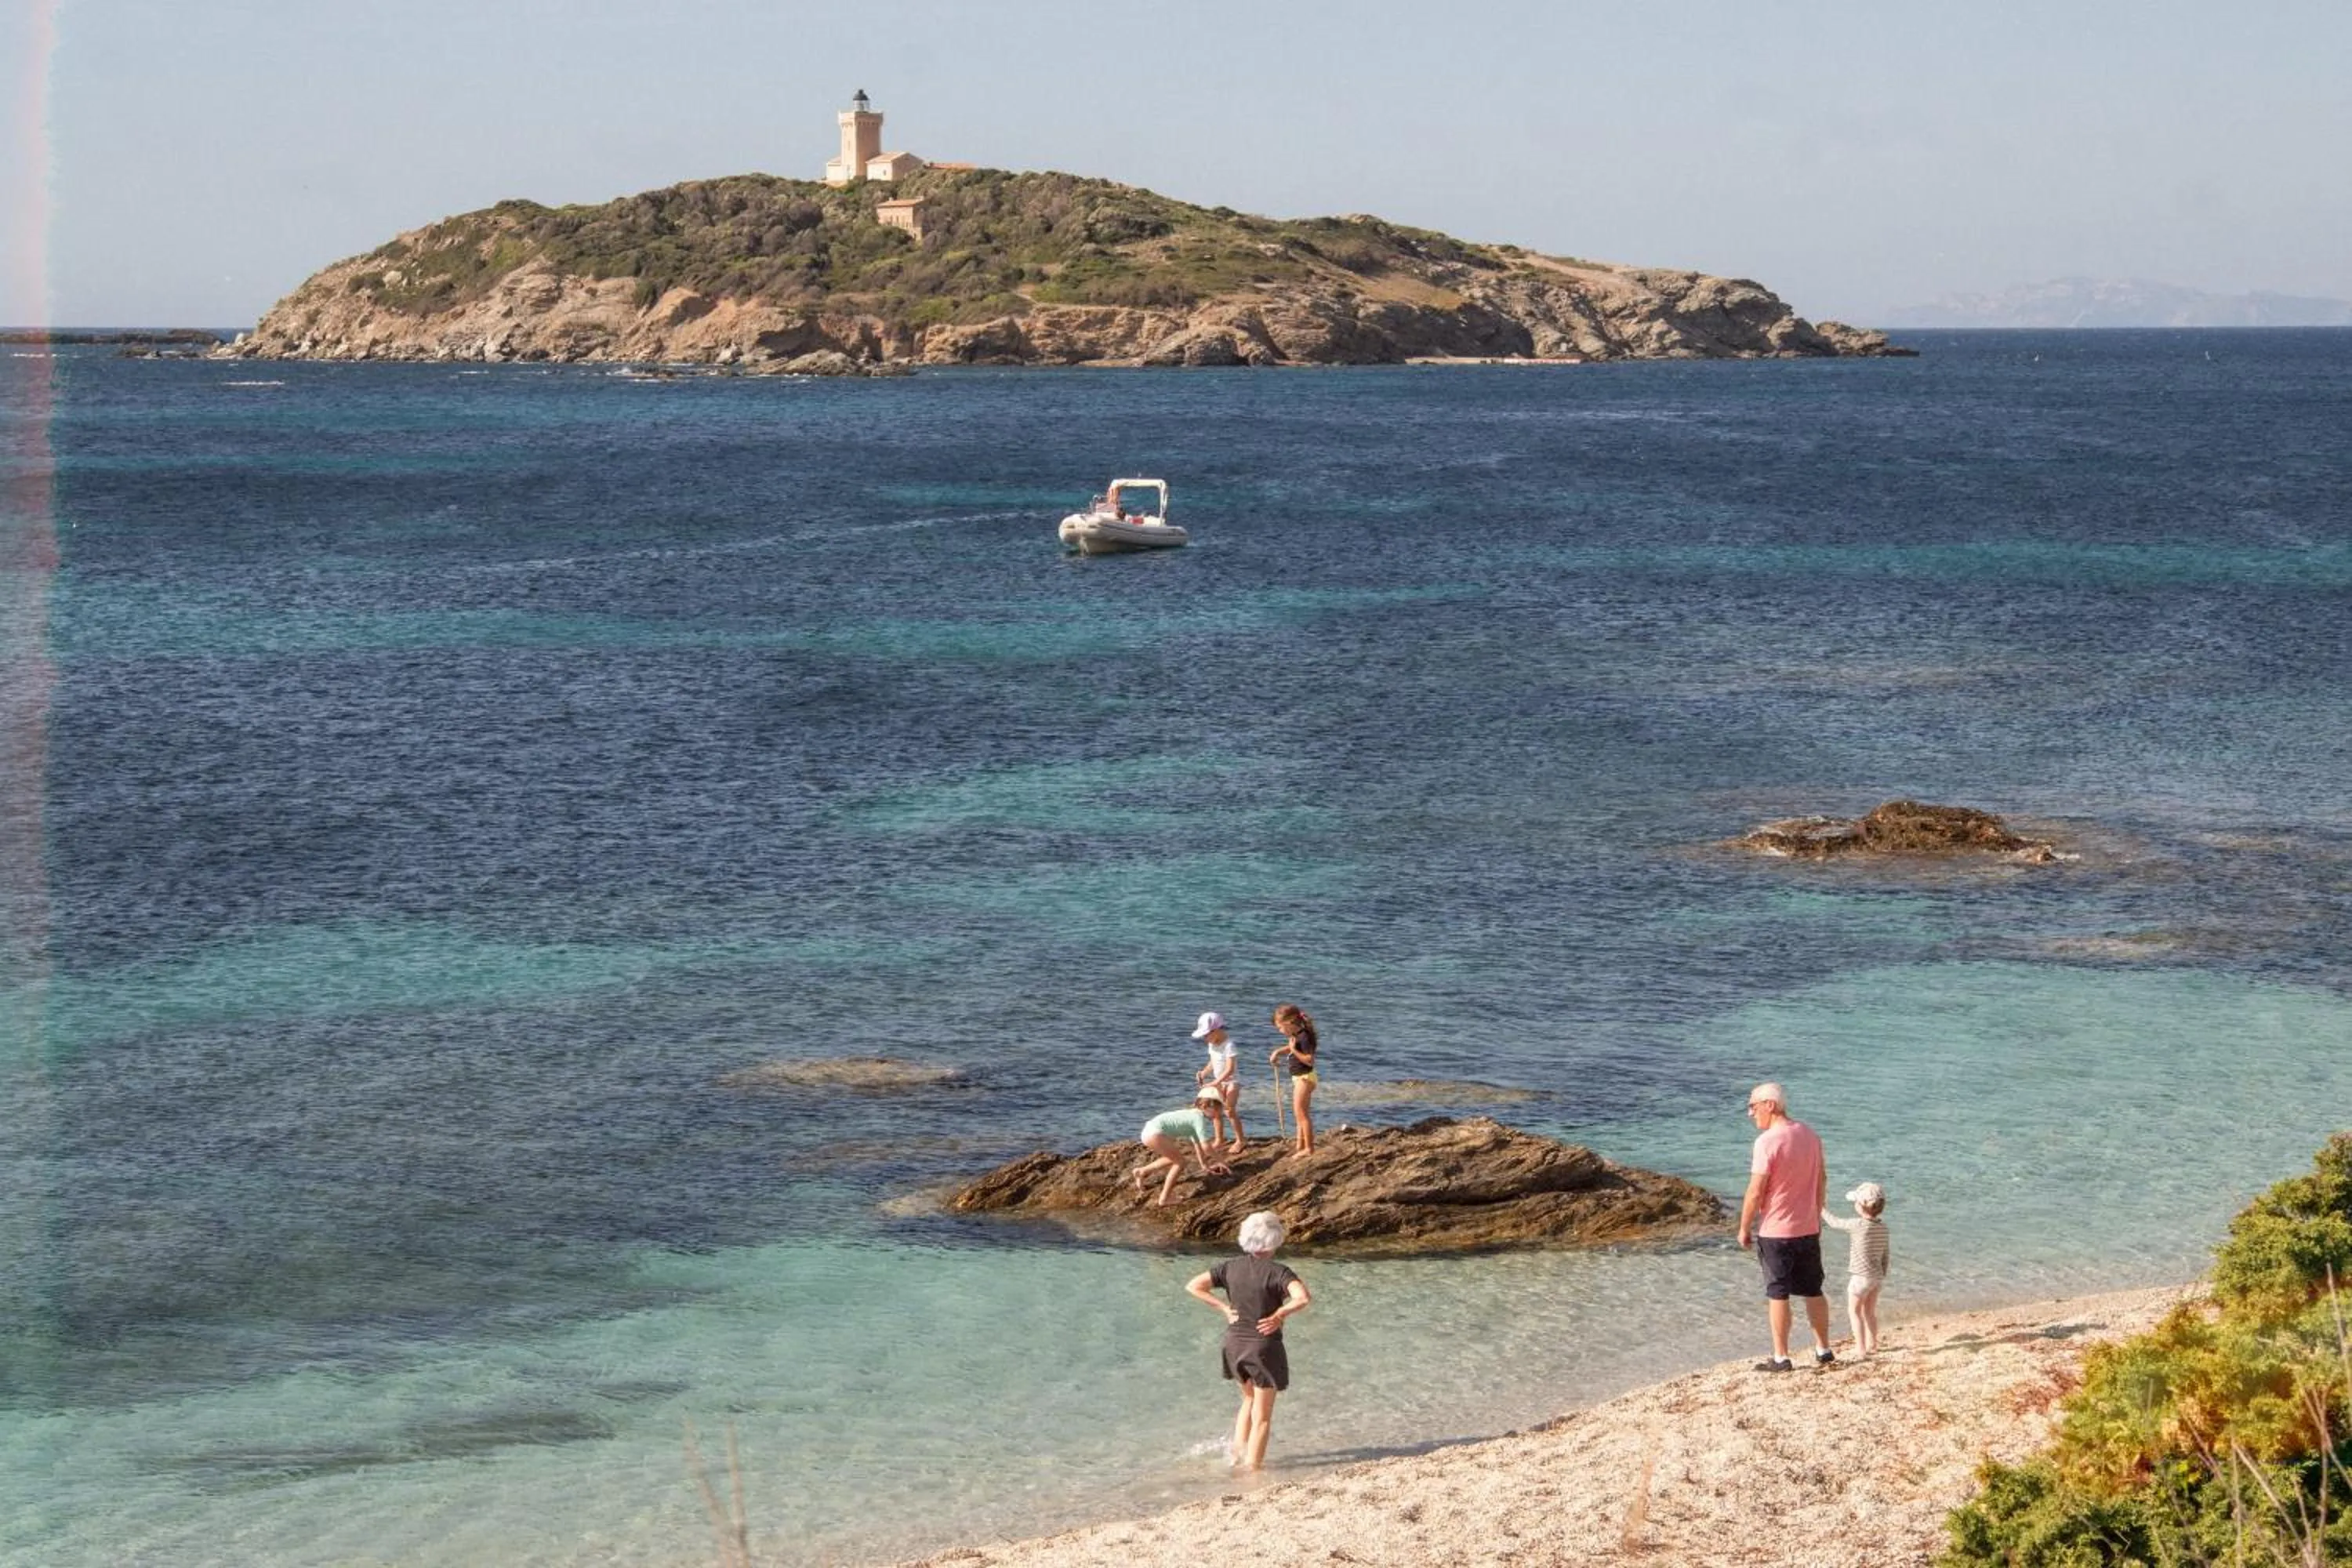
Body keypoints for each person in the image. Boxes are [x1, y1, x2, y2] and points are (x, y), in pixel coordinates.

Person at [1185, 1210, 1311, 1470]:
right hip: (1263, 1347)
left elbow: (1194, 1286)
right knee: (1262, 1418)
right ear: (1275, 1240)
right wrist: (1280, 1314)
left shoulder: (1229, 1267)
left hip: (1234, 1344)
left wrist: (1224, 1308)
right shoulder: (1279, 1272)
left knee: (1248, 1400)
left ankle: (1237, 1456)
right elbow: (1303, 1298)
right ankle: (1252, 1471)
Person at [1737, 1081, 1832, 1372]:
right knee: (1813, 1290)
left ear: (1770, 1105)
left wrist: (1744, 1227)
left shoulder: (1767, 1142)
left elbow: (1755, 1191)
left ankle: (1781, 1357)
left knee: (1778, 1293)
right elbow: (1821, 1180)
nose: (1750, 1113)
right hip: (1808, 1228)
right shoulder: (1810, 1135)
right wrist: (1816, 1216)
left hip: (1776, 1231)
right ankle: (1824, 1350)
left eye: (1753, 1106)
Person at [1822, 1181, 1889, 1356]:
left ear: (1860, 1206)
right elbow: (1885, 1255)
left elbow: (1834, 1223)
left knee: (1854, 1311)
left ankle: (1860, 1348)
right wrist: (1882, 1273)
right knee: (1870, 1312)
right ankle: (1873, 1344)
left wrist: (1820, 1208)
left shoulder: (1858, 1225)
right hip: (1877, 1277)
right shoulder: (1883, 1228)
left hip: (1860, 1277)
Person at [1133, 1105, 1230, 1207]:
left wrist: (1204, 1165)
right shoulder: (1199, 1119)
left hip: (1148, 1132)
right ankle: (1164, 1199)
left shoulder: (1193, 1115)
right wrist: (1222, 1162)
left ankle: (1142, 1171)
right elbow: (1206, 1147)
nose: (1220, 1114)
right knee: (1181, 1162)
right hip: (1155, 1134)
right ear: (1207, 1107)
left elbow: (1197, 1144)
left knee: (1173, 1158)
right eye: (1218, 1111)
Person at [1269, 1004, 1319, 1156]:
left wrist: (1293, 1050)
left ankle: (1309, 1148)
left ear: (1289, 1022)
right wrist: (1278, 1052)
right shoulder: (1297, 1035)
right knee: (1300, 1113)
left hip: (1305, 1078)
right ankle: (1300, 1145)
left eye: (1280, 1027)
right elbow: (1293, 1047)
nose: (1280, 1031)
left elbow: (1309, 1060)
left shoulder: (1305, 1037)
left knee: (1301, 1114)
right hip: (1300, 1078)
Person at [1192, 1011, 1246, 1152]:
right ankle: (1219, 1139)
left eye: (1206, 1035)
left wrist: (1216, 1082)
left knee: (1229, 1111)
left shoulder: (1229, 1045)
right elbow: (1213, 1062)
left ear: (1216, 1030)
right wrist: (1204, 1073)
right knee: (1215, 1111)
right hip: (1219, 1082)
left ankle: (1240, 1140)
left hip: (1232, 1082)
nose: (1205, 1039)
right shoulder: (1212, 1044)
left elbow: (1230, 1069)